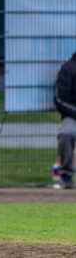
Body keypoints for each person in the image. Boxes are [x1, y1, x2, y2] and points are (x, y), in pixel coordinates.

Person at [53, 52, 76, 189]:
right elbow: (59, 99)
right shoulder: (68, 68)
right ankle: (66, 174)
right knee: (66, 134)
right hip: (73, 115)